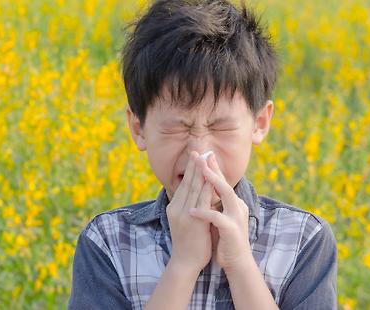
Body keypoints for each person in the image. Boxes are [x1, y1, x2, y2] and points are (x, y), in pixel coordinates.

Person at [67, 0, 337, 309]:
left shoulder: (303, 240)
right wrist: (183, 265)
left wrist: (240, 265)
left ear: (260, 123)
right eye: (176, 127)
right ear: (138, 128)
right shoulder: (108, 243)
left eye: (220, 126)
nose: (199, 152)